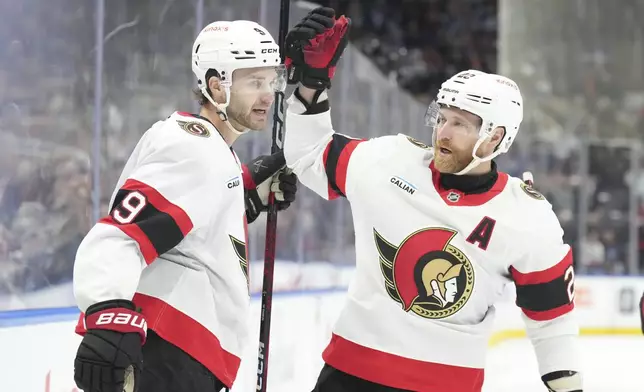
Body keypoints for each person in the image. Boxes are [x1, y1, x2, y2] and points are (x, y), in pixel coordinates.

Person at [282, 7, 582, 392]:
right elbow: (309, 156)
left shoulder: (526, 216)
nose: (443, 131)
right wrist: (312, 83)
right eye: (442, 116)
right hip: (349, 377)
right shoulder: (388, 161)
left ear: (495, 138)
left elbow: (552, 320)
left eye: (460, 123)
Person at [71, 20, 298, 392]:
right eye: (254, 82)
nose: (268, 95)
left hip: (181, 353)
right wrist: (106, 307)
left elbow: (186, 229)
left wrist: (243, 200)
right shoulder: (196, 149)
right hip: (168, 351)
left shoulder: (208, 150)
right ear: (216, 85)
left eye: (271, 81)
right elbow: (122, 232)